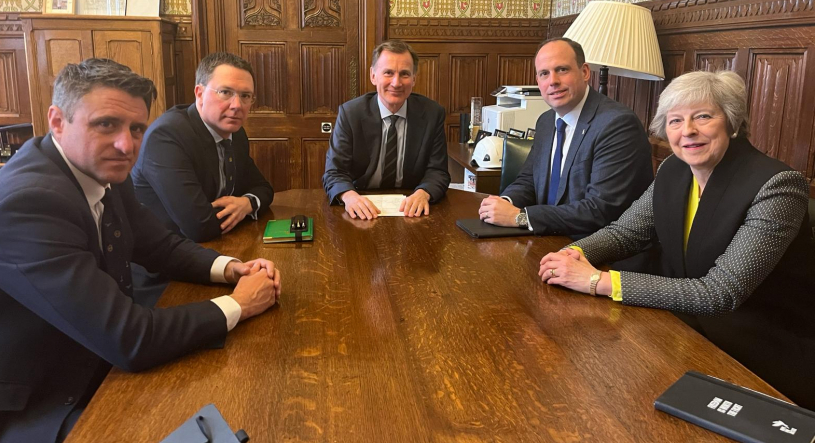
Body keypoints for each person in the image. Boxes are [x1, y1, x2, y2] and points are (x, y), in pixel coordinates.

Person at [0, 59, 282, 443]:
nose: (127, 145)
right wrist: (239, 305)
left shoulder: (100, 169)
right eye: (106, 124)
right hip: (36, 403)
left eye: (136, 128)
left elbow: (159, 246)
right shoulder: (28, 202)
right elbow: (129, 338)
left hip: (96, 361)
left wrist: (230, 269)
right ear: (57, 121)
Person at [538, 71, 815, 408]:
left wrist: (597, 281)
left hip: (758, 354)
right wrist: (572, 254)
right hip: (683, 329)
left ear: (731, 122)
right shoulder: (674, 168)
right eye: (675, 120)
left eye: (703, 116)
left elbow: (720, 293)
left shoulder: (777, 186)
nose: (687, 131)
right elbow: (625, 232)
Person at [479, 37, 652, 238]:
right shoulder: (546, 121)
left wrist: (521, 217)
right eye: (544, 73)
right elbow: (528, 181)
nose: (553, 81)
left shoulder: (617, 124)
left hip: (598, 251)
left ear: (585, 72)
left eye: (562, 69)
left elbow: (601, 210)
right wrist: (505, 203)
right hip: (550, 240)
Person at [132, 52, 273, 243]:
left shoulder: (236, 133)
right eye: (225, 92)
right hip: (166, 263)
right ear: (199, 94)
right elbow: (199, 226)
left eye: (245, 96)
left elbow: (264, 188)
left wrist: (246, 203)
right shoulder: (166, 136)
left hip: (217, 247)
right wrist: (238, 210)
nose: (237, 105)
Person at [322, 39, 450, 219]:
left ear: (414, 79)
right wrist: (349, 197)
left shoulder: (432, 114)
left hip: (410, 208)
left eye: (404, 74)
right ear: (373, 76)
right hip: (361, 205)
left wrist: (424, 192)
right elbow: (334, 172)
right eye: (388, 73)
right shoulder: (351, 114)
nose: (396, 83)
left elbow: (438, 171)